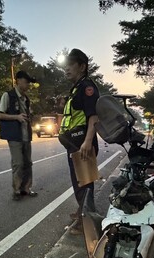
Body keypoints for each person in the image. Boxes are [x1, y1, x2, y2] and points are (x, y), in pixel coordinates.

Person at [58, 48, 100, 234]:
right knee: (80, 181)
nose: (66, 69)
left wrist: (88, 142)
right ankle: (82, 211)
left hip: (82, 142)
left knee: (84, 183)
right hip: (74, 143)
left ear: (82, 67)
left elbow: (93, 117)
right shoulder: (76, 88)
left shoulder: (87, 88)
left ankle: (88, 222)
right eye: (65, 66)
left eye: (70, 65)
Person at [0, 70, 38, 201]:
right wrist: (17, 117)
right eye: (26, 82)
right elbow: (0, 114)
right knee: (18, 163)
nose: (28, 85)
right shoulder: (7, 95)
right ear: (18, 81)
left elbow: (27, 115)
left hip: (26, 135)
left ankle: (26, 189)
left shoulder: (26, 99)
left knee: (28, 163)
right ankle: (16, 190)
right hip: (15, 136)